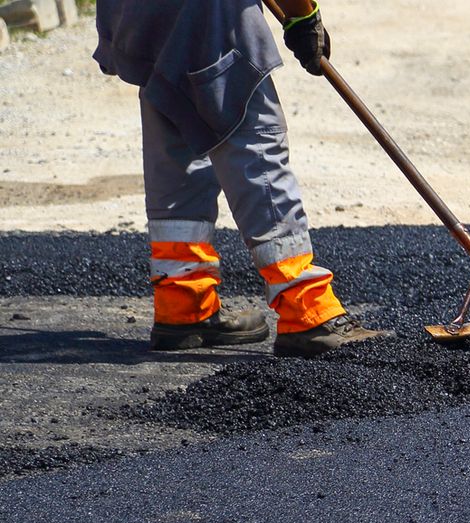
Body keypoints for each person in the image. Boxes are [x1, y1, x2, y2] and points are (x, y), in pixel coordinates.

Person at [93, 1, 385, 356]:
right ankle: (307, 310)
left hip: (136, 16)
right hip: (205, 15)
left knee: (176, 128)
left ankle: (183, 301)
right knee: (254, 138)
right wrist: (302, 15)